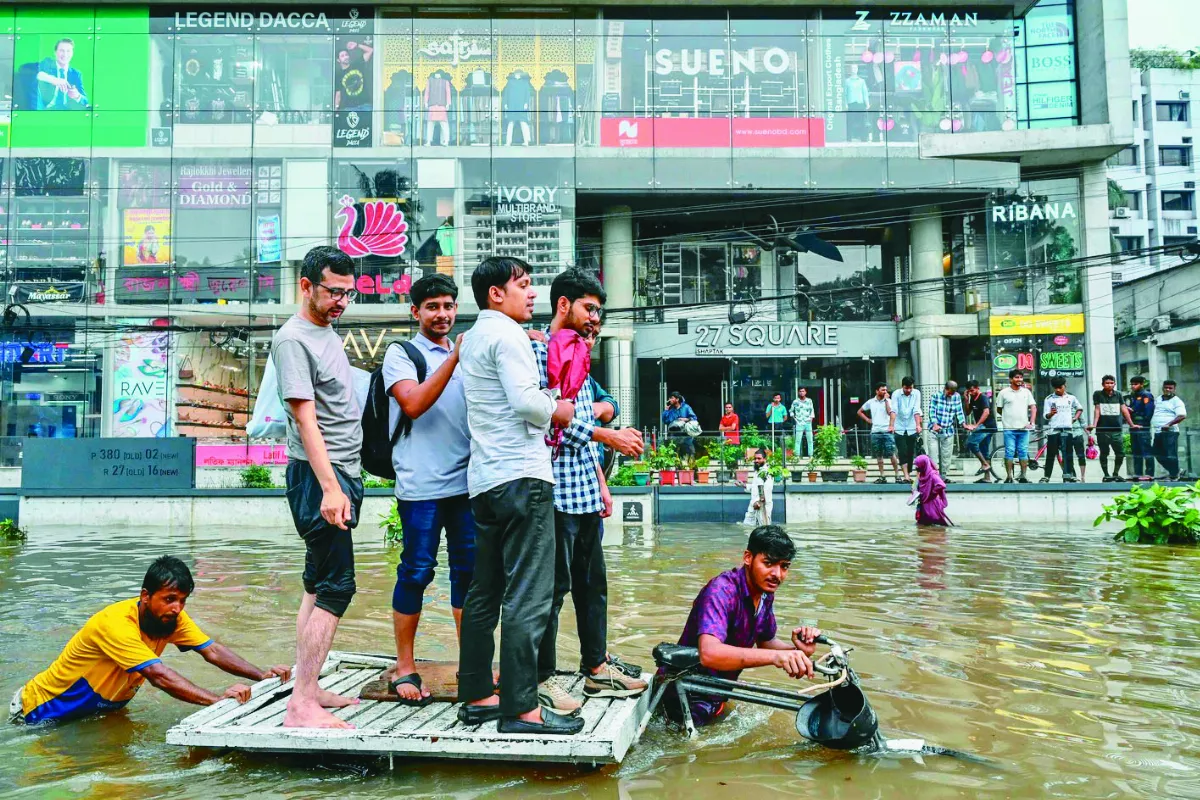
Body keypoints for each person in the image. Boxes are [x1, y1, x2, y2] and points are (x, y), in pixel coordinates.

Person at [456, 256, 582, 736]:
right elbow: (529, 404)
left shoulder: (475, 339)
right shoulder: (508, 336)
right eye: (524, 285)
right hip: (523, 480)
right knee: (530, 595)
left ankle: (478, 695)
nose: (532, 294)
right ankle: (522, 710)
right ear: (496, 293)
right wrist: (561, 407)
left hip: (485, 481)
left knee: (484, 592)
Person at [530, 268, 648, 716]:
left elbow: (582, 414)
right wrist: (608, 436)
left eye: (599, 311)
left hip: (581, 490)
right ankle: (542, 679)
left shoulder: (577, 353)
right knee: (551, 590)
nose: (595, 319)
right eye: (589, 309)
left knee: (591, 585)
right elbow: (548, 420)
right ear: (564, 305)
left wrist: (601, 480)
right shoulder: (539, 352)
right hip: (551, 494)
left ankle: (596, 668)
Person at [11, 556, 289, 725]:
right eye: (169, 599)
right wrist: (217, 701)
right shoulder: (116, 623)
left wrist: (261, 675)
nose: (177, 608)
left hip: (98, 711)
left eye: (182, 600)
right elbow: (159, 675)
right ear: (146, 596)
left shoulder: (171, 619)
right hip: (42, 712)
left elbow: (212, 651)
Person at [273, 245, 364, 729]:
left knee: (315, 581)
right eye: (333, 291)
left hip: (341, 473)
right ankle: (300, 704)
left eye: (349, 293)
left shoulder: (327, 332)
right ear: (305, 285)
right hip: (319, 477)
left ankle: (307, 685)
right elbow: (305, 420)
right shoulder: (294, 340)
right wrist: (331, 489)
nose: (341, 302)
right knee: (337, 585)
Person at [380, 274, 475, 705]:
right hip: (420, 485)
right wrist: (454, 357)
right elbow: (413, 403)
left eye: (449, 306)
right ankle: (405, 666)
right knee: (416, 571)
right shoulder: (402, 354)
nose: (442, 314)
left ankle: (471, 664)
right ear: (415, 311)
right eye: (432, 306)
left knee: (468, 575)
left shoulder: (468, 354)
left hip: (467, 483)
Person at [663, 525, 820, 729]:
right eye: (769, 563)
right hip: (685, 696)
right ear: (748, 557)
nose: (777, 574)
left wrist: (798, 651)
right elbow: (709, 654)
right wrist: (776, 658)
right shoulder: (720, 591)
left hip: (718, 692)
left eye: (784, 566)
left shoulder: (764, 593)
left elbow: (766, 642)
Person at [995, 369, 1037, 484]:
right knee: (1009, 451)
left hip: (1023, 428)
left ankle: (1023, 476)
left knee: (1023, 451)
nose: (1019, 380)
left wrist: (1031, 422)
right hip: (1009, 428)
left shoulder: (1026, 392)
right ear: (1010, 379)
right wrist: (1008, 418)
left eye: (1020, 377)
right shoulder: (1003, 392)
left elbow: (1033, 407)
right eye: (1016, 377)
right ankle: (1009, 477)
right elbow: (999, 409)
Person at [1088, 374, 1133, 482]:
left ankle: (1115, 473)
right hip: (1102, 429)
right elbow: (1097, 409)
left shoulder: (1118, 394)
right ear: (1103, 384)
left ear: (1115, 384)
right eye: (1107, 383)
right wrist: (1094, 424)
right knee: (1104, 452)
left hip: (1116, 428)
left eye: (1111, 383)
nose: (1109, 385)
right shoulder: (1098, 394)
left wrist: (1132, 424)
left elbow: (1124, 409)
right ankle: (1106, 474)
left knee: (1120, 453)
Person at [1040, 377, 1082, 483]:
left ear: (1065, 385)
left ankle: (1070, 475)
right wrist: (1051, 414)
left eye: (1060, 387)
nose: (1058, 390)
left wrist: (1075, 418)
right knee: (1051, 454)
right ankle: (1047, 476)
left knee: (1068, 453)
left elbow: (1079, 408)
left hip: (1067, 429)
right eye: (1056, 388)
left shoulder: (1071, 398)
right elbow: (1045, 415)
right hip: (1054, 430)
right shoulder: (1049, 399)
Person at [857, 382, 898, 484]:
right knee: (879, 455)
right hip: (875, 431)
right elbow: (859, 411)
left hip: (887, 431)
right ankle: (882, 475)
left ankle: (897, 475)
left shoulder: (889, 401)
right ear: (877, 391)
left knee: (891, 454)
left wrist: (886, 401)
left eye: (885, 390)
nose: (885, 392)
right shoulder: (871, 402)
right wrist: (868, 420)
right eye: (882, 390)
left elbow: (890, 412)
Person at [928, 381, 966, 481]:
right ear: (945, 388)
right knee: (933, 455)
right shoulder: (936, 396)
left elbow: (959, 411)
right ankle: (933, 477)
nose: (951, 395)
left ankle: (944, 476)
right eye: (949, 392)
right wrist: (935, 424)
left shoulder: (956, 396)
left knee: (946, 456)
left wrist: (963, 424)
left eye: (953, 393)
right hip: (934, 431)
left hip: (948, 430)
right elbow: (932, 411)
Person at [1150, 380, 1188, 481]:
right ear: (1163, 388)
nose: (1167, 390)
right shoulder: (1158, 399)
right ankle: (1176, 471)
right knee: (1156, 453)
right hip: (1158, 431)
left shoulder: (1177, 401)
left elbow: (1182, 415)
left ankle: (1174, 475)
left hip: (1170, 432)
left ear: (1174, 389)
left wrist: (1168, 424)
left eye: (1170, 388)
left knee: (1170, 454)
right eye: (1166, 387)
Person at [36, 38, 90, 110]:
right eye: (62, 50)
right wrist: (53, 80)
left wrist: (77, 96)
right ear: (55, 52)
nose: (65, 54)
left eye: (68, 51)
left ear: (72, 53)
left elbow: (85, 101)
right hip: (46, 110)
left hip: (67, 112)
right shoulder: (47, 64)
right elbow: (33, 72)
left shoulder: (76, 74)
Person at [963, 380, 997, 483]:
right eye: (969, 391)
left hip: (987, 426)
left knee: (970, 442)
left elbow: (986, 412)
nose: (971, 393)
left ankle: (985, 464)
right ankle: (987, 477)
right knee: (984, 450)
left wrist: (975, 425)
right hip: (983, 426)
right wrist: (966, 400)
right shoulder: (972, 398)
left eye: (972, 390)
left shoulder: (983, 398)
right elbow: (968, 412)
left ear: (977, 388)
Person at [893, 377, 923, 483]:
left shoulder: (916, 393)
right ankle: (906, 475)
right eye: (906, 388)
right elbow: (894, 410)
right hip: (899, 427)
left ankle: (909, 474)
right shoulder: (896, 394)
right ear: (902, 386)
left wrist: (918, 425)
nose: (909, 390)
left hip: (911, 426)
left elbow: (916, 409)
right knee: (902, 451)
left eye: (910, 388)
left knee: (911, 451)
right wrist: (891, 425)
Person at [1126, 375, 1156, 481]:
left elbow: (1149, 412)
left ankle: (1149, 474)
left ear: (1141, 384)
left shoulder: (1146, 395)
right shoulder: (1133, 395)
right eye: (1132, 384)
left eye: (1136, 384)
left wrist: (1141, 421)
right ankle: (1137, 473)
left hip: (1142, 426)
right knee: (1136, 451)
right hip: (1133, 426)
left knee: (1146, 450)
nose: (1133, 386)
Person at [910, 454, 953, 526]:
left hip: (933, 504)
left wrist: (932, 493)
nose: (916, 467)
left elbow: (941, 485)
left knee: (936, 524)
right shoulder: (922, 475)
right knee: (923, 525)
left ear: (923, 464)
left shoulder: (933, 475)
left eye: (917, 465)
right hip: (924, 503)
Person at [335, 38, 374, 111]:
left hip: (365, 105)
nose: (345, 57)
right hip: (349, 107)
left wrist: (357, 45)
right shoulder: (339, 75)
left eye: (346, 55)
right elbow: (338, 94)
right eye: (342, 56)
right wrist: (336, 108)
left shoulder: (357, 64)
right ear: (338, 60)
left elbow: (370, 50)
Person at [739, 448, 774, 527]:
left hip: (762, 507)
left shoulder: (766, 473)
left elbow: (767, 490)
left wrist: (759, 502)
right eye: (755, 458)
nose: (756, 460)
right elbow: (755, 488)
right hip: (753, 506)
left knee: (763, 529)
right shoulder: (758, 471)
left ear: (765, 459)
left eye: (759, 458)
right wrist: (743, 485)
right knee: (748, 528)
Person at [663, 392, 698, 466]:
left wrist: (686, 419)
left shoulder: (686, 407)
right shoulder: (671, 410)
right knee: (675, 456)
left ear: (677, 399)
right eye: (670, 398)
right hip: (674, 436)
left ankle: (691, 473)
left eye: (672, 398)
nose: (670, 400)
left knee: (688, 455)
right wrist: (666, 410)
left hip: (686, 436)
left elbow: (694, 418)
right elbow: (665, 421)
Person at [790, 387, 815, 459]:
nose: (801, 392)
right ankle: (797, 455)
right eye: (800, 391)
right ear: (798, 392)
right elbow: (791, 411)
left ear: (805, 392)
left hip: (808, 422)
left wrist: (811, 418)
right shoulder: (795, 402)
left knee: (810, 439)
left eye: (803, 391)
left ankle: (811, 455)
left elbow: (812, 410)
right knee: (798, 440)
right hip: (799, 422)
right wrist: (794, 417)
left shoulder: (809, 401)